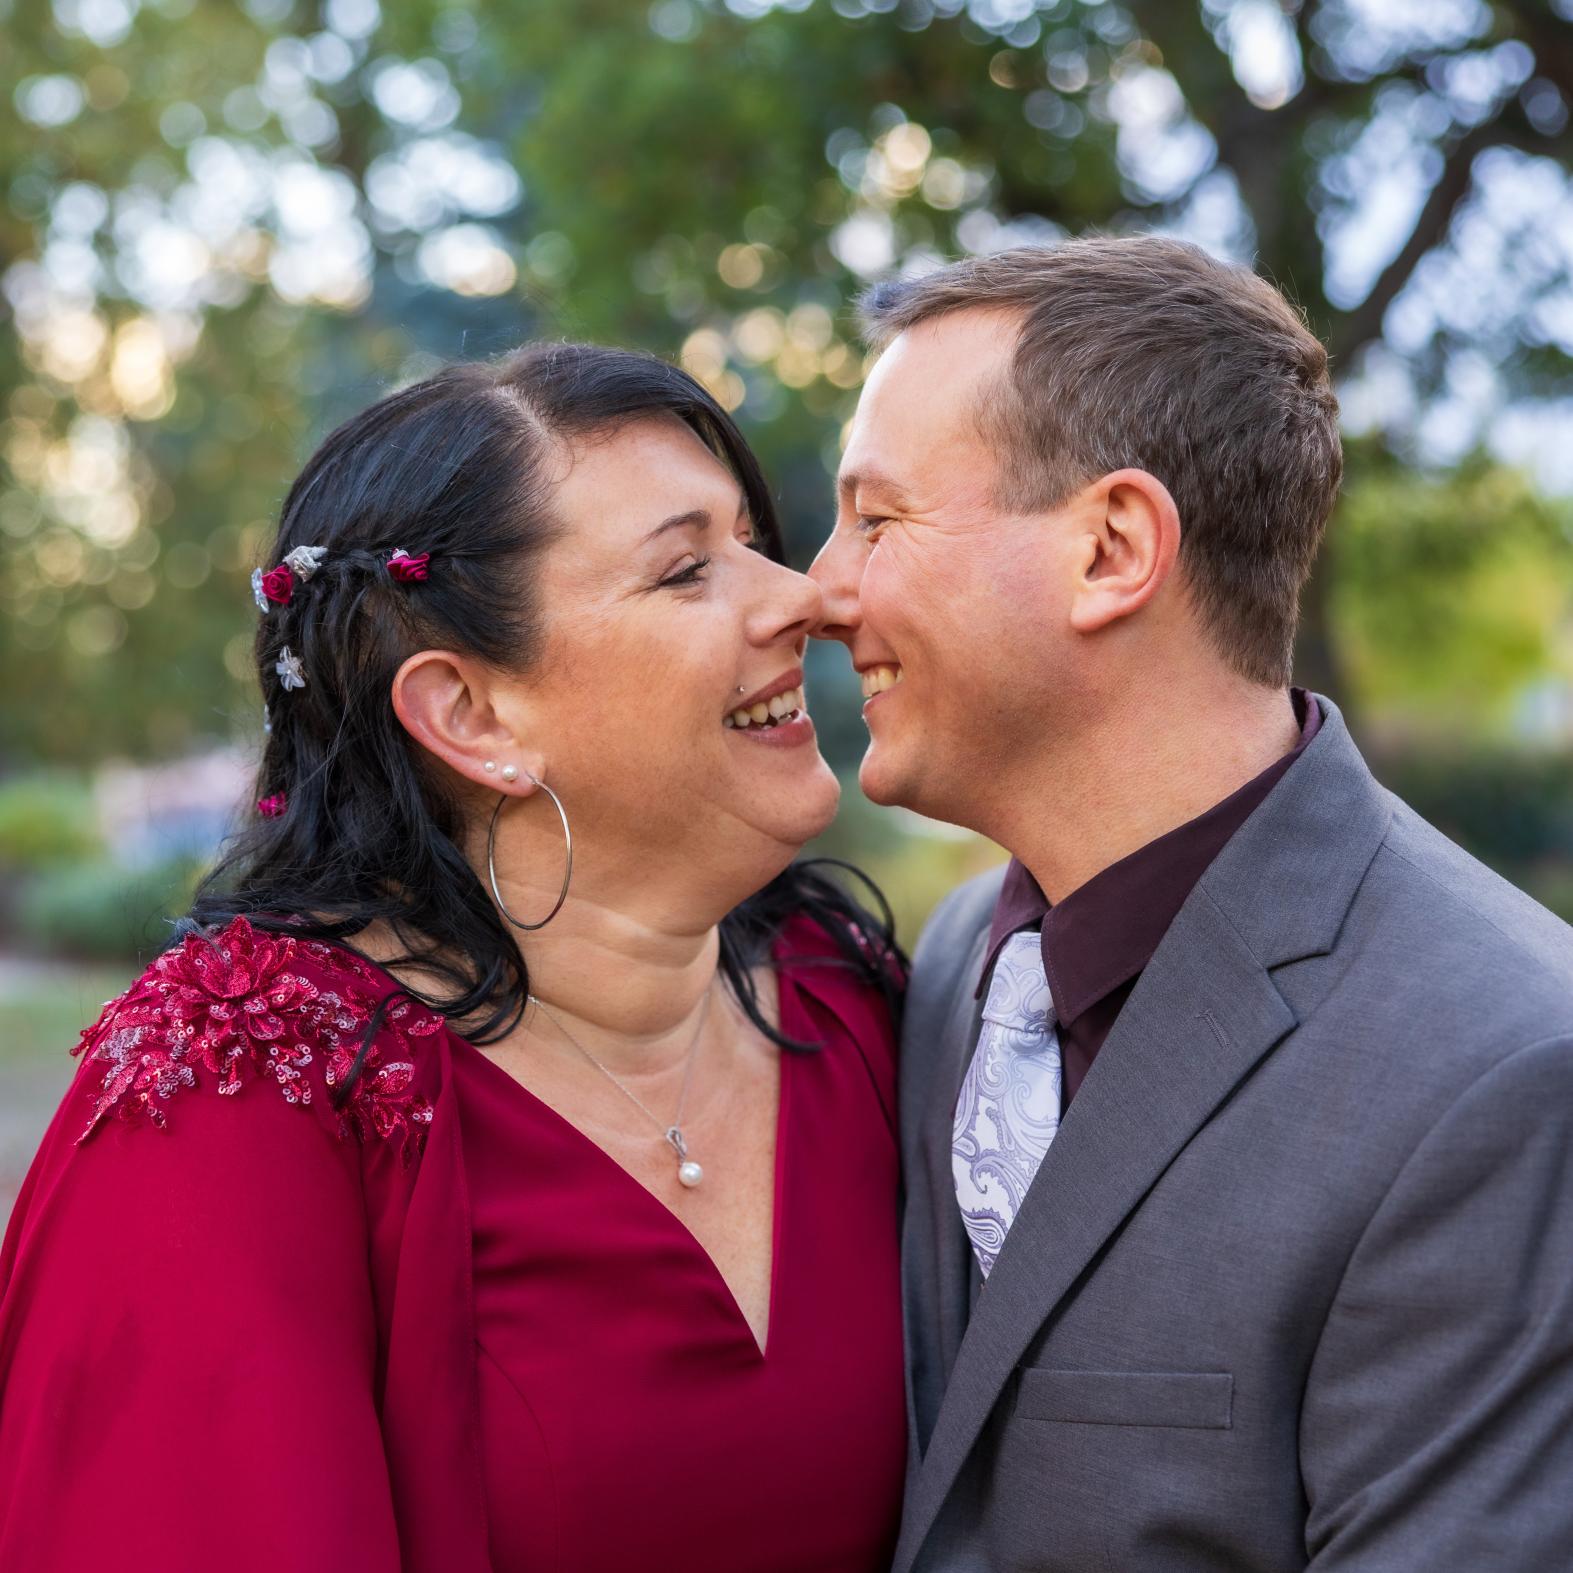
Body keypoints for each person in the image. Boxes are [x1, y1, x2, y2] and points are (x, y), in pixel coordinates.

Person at [0, 344, 907, 1573]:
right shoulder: (242, 1091)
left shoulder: (849, 996)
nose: (802, 597)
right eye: (687, 568)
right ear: (471, 715)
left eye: (752, 542)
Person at [809, 236, 1573, 1571]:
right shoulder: (959, 959)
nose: (821, 589)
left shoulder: (1500, 1067)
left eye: (877, 519)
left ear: (1111, 549)